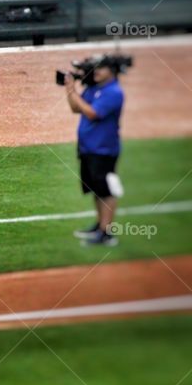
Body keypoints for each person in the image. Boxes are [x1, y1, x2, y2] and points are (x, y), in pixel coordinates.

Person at [65, 56, 126, 247]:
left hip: (104, 150)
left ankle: (107, 234)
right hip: (88, 148)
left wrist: (73, 90)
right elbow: (76, 108)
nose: (96, 71)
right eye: (95, 68)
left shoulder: (114, 92)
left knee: (106, 190)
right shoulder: (95, 88)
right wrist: (70, 89)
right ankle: (100, 226)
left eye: (102, 68)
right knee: (96, 189)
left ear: (113, 71)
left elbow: (92, 113)